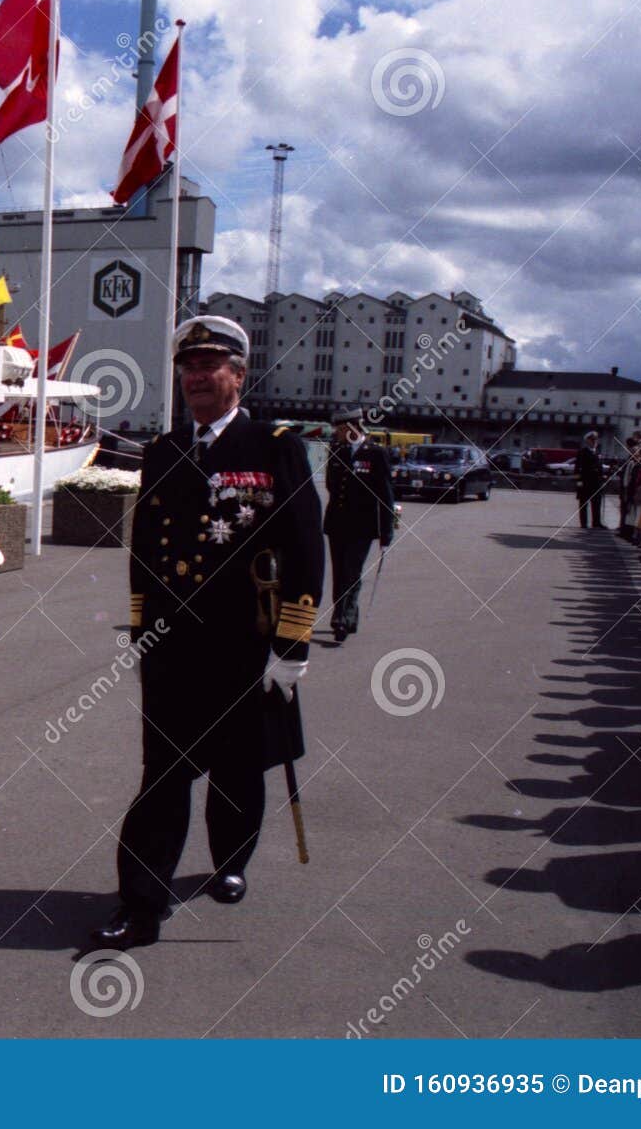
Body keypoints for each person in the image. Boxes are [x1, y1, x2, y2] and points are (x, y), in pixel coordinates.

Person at [91, 315, 324, 951]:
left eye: (210, 367)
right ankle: (141, 904)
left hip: (245, 645)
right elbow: (143, 551)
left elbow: (305, 550)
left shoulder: (275, 446)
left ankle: (231, 860)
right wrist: (141, 631)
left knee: (238, 770)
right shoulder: (165, 452)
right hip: (173, 647)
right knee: (161, 776)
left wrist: (293, 646)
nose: (196, 378)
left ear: (238, 376)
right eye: (188, 369)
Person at [323, 408, 395, 642]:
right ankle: (347, 617)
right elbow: (331, 485)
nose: (338, 434)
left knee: (351, 572)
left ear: (354, 428)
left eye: (341, 429)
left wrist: (386, 530)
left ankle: (341, 618)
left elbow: (385, 494)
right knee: (339, 572)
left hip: (362, 527)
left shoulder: (376, 453)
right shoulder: (336, 451)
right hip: (337, 524)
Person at [576, 430, 605, 528]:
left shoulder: (598, 452)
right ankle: (584, 523)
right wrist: (579, 483)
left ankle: (596, 522)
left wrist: (603, 477)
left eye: (596, 440)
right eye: (592, 440)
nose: (594, 442)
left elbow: (600, 468)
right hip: (585, 483)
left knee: (596, 503)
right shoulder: (582, 452)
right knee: (584, 504)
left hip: (596, 483)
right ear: (587, 440)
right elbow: (577, 469)